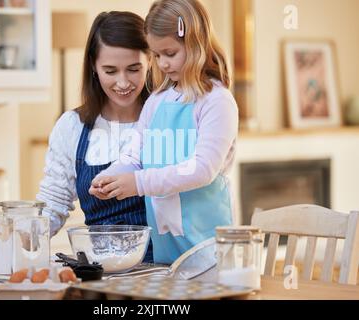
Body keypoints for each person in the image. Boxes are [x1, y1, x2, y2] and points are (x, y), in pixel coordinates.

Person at [90, 0, 238, 264]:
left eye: (170, 53)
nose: (163, 64)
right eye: (156, 55)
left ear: (195, 44)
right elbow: (133, 157)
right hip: (165, 247)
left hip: (207, 248)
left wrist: (138, 183)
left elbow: (201, 169)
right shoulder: (157, 101)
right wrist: (109, 177)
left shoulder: (217, 101)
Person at [34, 11, 153, 262]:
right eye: (110, 71)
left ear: (151, 60)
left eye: (133, 69)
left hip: (163, 267)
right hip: (101, 269)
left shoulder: (166, 121)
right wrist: (17, 240)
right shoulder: (72, 126)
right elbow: (53, 202)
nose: (123, 82)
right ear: (93, 67)